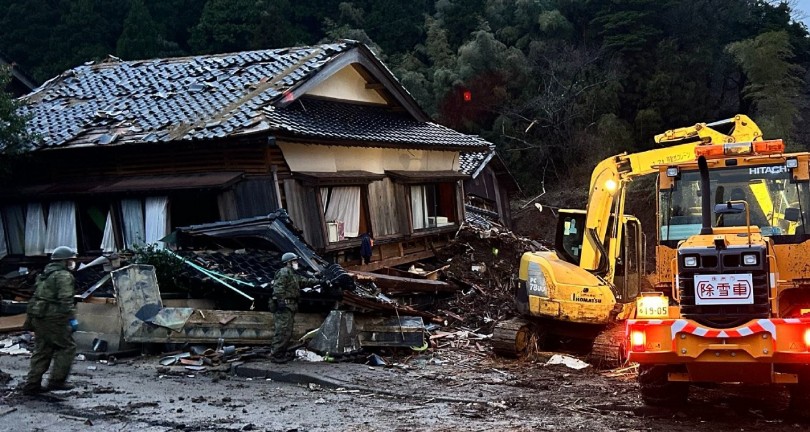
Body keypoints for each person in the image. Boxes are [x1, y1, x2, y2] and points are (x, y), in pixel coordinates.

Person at [23, 246, 79, 395]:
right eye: (71, 260)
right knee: (67, 347)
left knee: (43, 349)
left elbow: (36, 295)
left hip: (39, 315)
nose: (72, 263)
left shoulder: (45, 273)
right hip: (54, 317)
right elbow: (66, 300)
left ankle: (32, 384)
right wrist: (71, 318)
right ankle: (57, 381)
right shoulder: (63, 276)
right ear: (64, 261)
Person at [269, 252, 321, 363]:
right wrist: (280, 301)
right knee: (282, 331)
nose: (296, 263)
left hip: (290, 306)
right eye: (294, 261)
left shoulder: (293, 274)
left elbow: (304, 282)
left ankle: (280, 354)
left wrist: (319, 281)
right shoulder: (284, 272)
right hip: (284, 306)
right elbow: (278, 288)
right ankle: (275, 355)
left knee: (287, 331)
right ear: (288, 262)